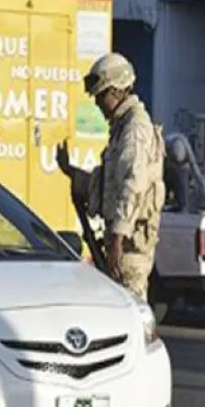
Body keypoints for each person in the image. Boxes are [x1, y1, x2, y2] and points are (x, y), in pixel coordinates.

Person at [56, 52, 165, 300]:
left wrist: (117, 238)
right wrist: (71, 171)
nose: (97, 104)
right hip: (121, 243)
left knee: (131, 315)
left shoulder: (135, 129)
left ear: (116, 91)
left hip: (130, 248)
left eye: (101, 96)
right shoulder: (121, 128)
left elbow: (133, 185)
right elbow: (108, 183)